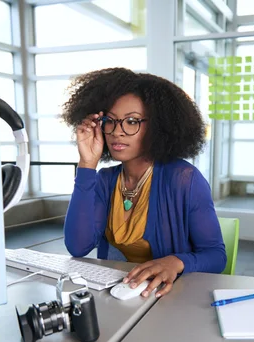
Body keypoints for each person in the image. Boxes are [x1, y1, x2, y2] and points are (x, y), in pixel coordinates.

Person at [62, 67, 226, 298]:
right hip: (120, 296)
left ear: (157, 127)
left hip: (171, 297)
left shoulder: (184, 180)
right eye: (110, 121)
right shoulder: (105, 180)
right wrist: (87, 165)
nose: (117, 132)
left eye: (132, 121)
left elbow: (216, 256)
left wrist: (175, 262)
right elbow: (78, 247)